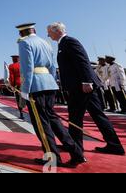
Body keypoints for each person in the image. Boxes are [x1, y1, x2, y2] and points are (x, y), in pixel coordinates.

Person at [47, 22, 125, 156]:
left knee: (76, 117)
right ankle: (114, 145)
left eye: (49, 32)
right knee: (96, 115)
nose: (48, 35)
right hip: (80, 86)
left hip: (81, 87)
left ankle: (76, 147)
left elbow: (82, 61)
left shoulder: (69, 41)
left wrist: (86, 81)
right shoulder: (63, 43)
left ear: (57, 31)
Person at [16, 23, 85, 167]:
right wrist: (51, 82)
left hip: (35, 86)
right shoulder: (45, 43)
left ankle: (52, 158)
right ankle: (77, 152)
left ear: (21, 33)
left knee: (41, 124)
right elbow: (52, 66)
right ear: (33, 30)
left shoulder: (24, 43)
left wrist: (24, 91)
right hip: (49, 84)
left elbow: (27, 69)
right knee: (54, 121)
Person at [9, 55, 26, 120]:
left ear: (13, 59)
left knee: (19, 99)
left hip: (18, 84)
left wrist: (12, 85)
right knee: (26, 98)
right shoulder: (23, 64)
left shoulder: (11, 66)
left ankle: (21, 114)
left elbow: (12, 77)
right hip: (25, 83)